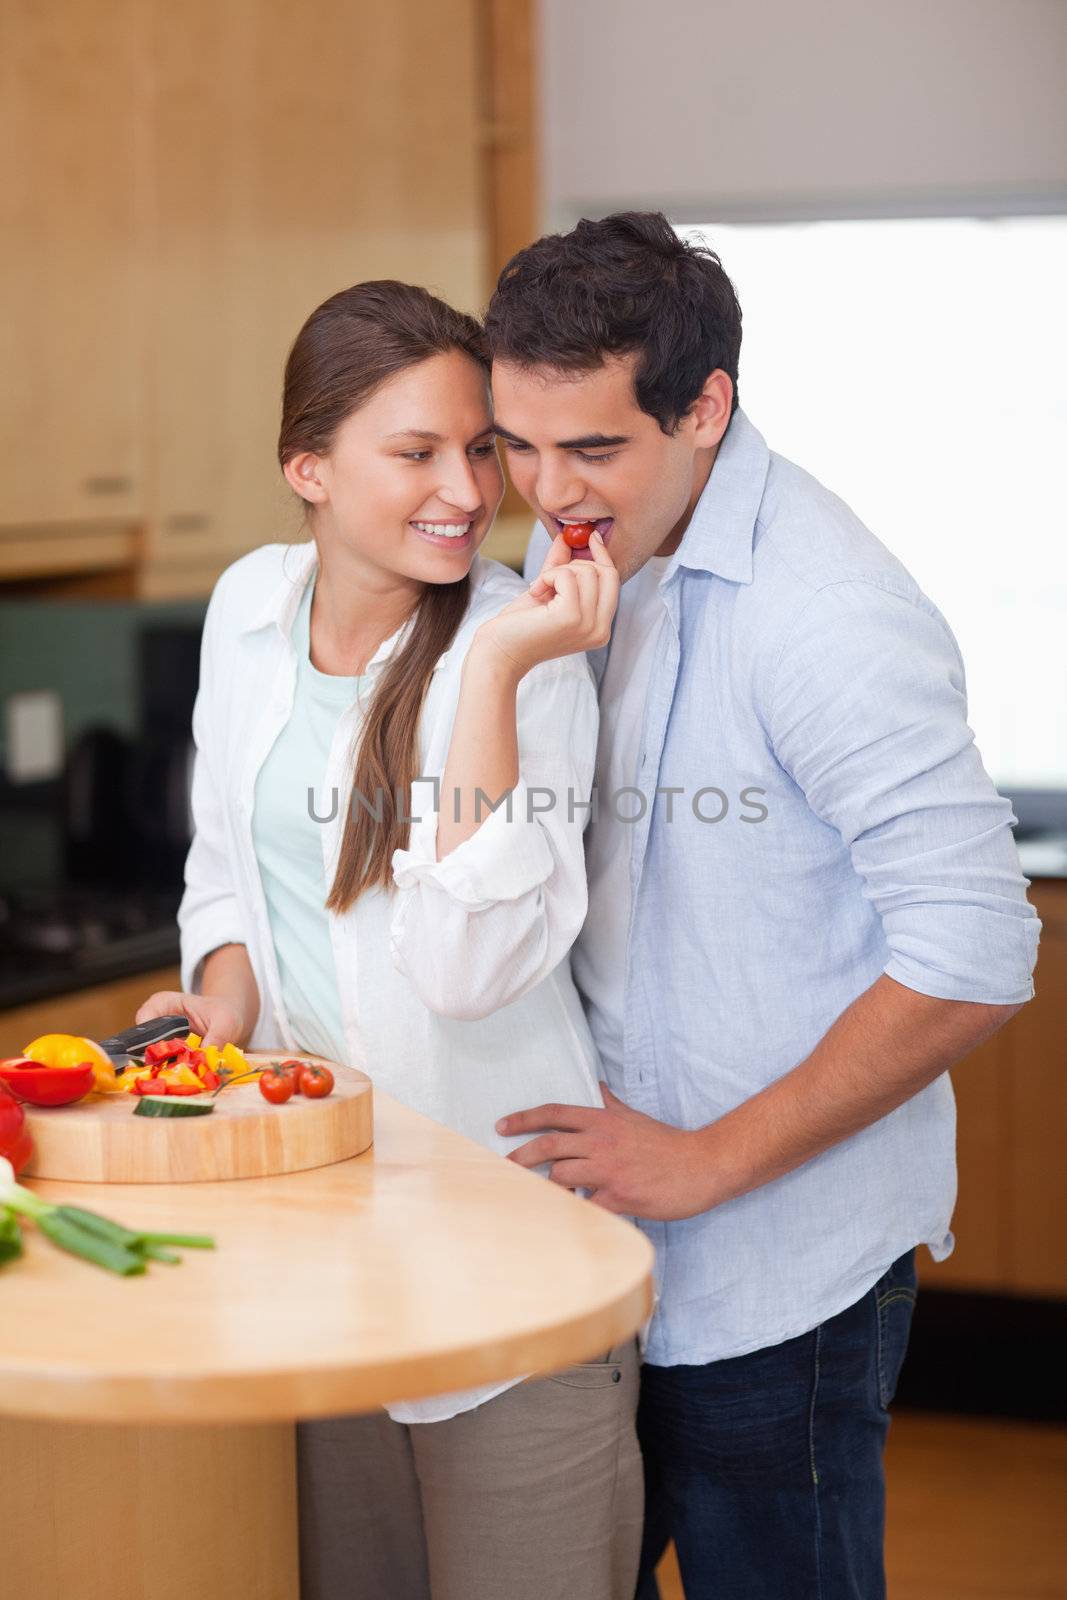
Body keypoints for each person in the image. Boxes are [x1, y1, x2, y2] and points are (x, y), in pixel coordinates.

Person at [484, 212, 1041, 1600]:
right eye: (516, 443)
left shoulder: (824, 612)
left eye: (594, 448)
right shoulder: (596, 567)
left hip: (778, 1273)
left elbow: (979, 951)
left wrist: (710, 1160)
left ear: (706, 407)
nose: (546, 489)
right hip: (612, 1254)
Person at [135, 279, 639, 1600]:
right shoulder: (249, 611)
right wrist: (222, 998)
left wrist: (486, 671)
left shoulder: (526, 650)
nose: (469, 492)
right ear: (308, 467)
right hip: (321, 1241)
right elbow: (227, 876)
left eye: (481, 448)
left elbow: (465, 974)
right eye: (416, 453)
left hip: (509, 1247)